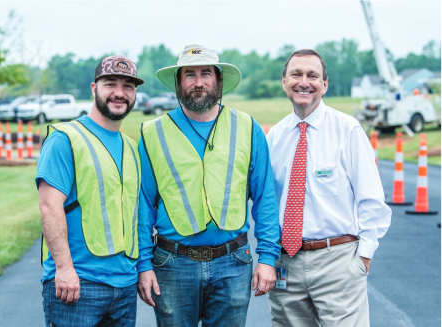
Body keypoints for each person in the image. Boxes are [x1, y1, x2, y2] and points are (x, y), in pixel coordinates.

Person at [136, 44, 280, 327]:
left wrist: (267, 257)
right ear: (178, 82)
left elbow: (265, 197)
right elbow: (142, 205)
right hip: (172, 264)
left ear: (219, 80)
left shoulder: (248, 128)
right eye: (189, 75)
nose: (198, 82)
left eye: (206, 74)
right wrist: (143, 264)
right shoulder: (152, 133)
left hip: (233, 262)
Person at [266, 49, 392, 327]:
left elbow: (371, 200)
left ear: (325, 84)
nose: (304, 82)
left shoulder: (347, 130)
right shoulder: (275, 136)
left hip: (338, 260)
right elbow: (266, 203)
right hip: (287, 263)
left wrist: (364, 257)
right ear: (284, 81)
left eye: (313, 75)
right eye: (296, 74)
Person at [36, 55, 144, 327]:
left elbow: (134, 214)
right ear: (94, 89)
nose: (120, 93)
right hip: (78, 284)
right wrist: (64, 268)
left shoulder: (132, 148)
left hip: (125, 286)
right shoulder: (65, 139)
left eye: (128, 86)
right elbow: (50, 206)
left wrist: (141, 270)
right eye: (111, 84)